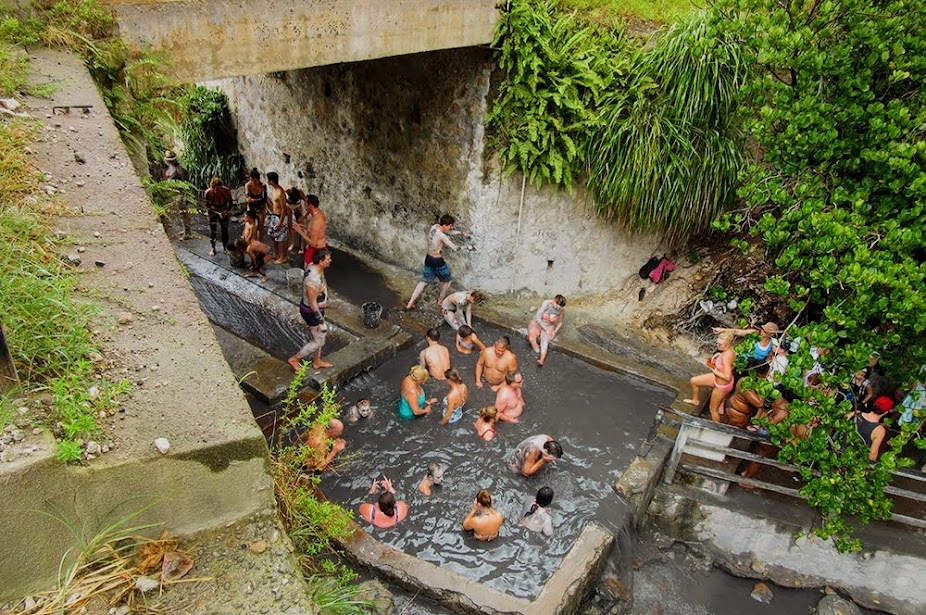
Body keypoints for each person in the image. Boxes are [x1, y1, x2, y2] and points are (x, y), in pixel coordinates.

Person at [405, 214, 468, 310]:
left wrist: (461, 233)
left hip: (428, 258)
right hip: (437, 261)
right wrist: (467, 247)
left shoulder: (434, 227)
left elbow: (449, 232)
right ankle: (440, 300)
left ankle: (410, 303)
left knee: (424, 282)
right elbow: (455, 248)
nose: (452, 227)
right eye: (451, 225)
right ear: (445, 225)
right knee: (447, 281)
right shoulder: (442, 236)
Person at [287, 249, 334, 371]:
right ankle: (294, 359)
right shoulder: (312, 280)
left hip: (318, 309)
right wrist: (321, 323)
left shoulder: (314, 266)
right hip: (311, 312)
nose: (330, 261)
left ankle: (317, 361)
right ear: (321, 261)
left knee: (319, 337)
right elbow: (313, 304)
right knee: (319, 340)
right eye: (328, 259)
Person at [684, 331, 736, 422]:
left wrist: (715, 372)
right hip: (718, 379)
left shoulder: (726, 357)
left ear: (727, 344)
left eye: (720, 344)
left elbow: (727, 376)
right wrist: (719, 355)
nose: (717, 346)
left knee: (713, 410)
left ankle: (716, 427)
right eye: (717, 343)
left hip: (722, 386)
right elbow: (731, 366)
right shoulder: (731, 350)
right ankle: (695, 400)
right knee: (694, 381)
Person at [712, 322, 777, 368]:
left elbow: (769, 358)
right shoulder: (754, 333)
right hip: (741, 359)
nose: (762, 332)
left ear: (771, 334)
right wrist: (722, 330)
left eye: (765, 332)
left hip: (753, 365)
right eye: (762, 329)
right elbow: (738, 332)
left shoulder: (772, 344)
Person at [528, 295, 566, 367]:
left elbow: (560, 322)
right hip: (537, 322)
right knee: (532, 338)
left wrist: (554, 332)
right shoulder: (547, 303)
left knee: (544, 341)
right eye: (557, 304)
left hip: (549, 325)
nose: (557, 307)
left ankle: (541, 360)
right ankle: (537, 351)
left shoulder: (561, 310)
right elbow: (538, 318)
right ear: (554, 300)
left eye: (559, 306)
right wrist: (545, 329)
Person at [291, 194, 328, 267]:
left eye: (305, 203)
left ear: (310, 205)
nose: (304, 206)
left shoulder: (316, 221)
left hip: (315, 251)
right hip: (319, 249)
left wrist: (300, 231)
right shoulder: (319, 213)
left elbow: (313, 243)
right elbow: (315, 230)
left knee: (310, 271)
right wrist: (304, 227)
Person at [163, 150, 192, 240]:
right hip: (174, 193)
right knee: (180, 213)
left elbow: (186, 183)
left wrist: (186, 196)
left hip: (180, 194)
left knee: (183, 213)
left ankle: (188, 232)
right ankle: (185, 230)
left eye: (171, 160)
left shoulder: (180, 169)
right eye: (169, 160)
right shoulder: (170, 167)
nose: (170, 161)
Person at [265, 171, 291, 264]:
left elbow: (284, 209)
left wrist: (280, 222)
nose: (267, 181)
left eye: (268, 179)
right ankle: (276, 253)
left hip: (281, 217)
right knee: (271, 235)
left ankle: (284, 256)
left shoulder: (280, 192)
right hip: (274, 216)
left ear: (271, 181)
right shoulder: (274, 190)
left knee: (282, 238)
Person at [856, 395, 892, 461]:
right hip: (854, 459)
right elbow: (872, 453)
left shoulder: (856, 413)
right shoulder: (879, 430)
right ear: (885, 412)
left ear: (873, 404)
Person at [203, 177, 233, 256]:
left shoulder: (226, 191)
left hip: (223, 209)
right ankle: (213, 248)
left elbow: (230, 204)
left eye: (219, 189)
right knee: (213, 230)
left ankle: (225, 247)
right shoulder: (208, 193)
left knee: (224, 229)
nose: (217, 191)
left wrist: (226, 211)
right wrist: (215, 212)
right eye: (215, 189)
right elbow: (207, 206)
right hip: (213, 211)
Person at [244, 168, 267, 241]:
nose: (252, 182)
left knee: (260, 227)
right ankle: (251, 241)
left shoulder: (262, 186)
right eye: (251, 180)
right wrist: (248, 199)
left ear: (258, 179)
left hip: (261, 207)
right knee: (251, 226)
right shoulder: (248, 185)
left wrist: (255, 200)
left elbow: (264, 199)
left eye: (254, 180)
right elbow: (247, 197)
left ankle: (260, 241)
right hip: (251, 207)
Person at [285, 187, 307, 254]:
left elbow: (307, 202)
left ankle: (302, 247)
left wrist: (304, 216)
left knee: (301, 229)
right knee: (290, 227)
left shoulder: (300, 193)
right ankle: (293, 243)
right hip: (289, 209)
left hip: (298, 211)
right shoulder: (287, 190)